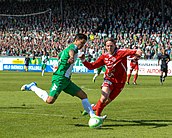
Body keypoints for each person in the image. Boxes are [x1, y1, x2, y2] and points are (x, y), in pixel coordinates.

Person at [20, 33, 106, 121]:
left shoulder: (67, 48)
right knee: (50, 100)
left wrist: (62, 62)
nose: (82, 46)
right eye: (81, 43)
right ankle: (32, 87)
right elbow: (72, 50)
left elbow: (60, 55)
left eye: (84, 44)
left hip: (66, 80)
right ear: (76, 40)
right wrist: (71, 57)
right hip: (60, 78)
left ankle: (93, 117)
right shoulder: (73, 47)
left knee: (83, 95)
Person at [79, 37, 142, 116]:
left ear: (115, 45)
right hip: (109, 79)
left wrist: (137, 56)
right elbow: (92, 66)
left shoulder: (121, 52)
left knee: (106, 102)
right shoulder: (104, 57)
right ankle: (96, 117)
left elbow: (138, 51)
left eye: (111, 46)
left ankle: (91, 108)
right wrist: (83, 60)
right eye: (107, 46)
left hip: (120, 82)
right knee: (103, 98)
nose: (109, 48)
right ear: (105, 46)